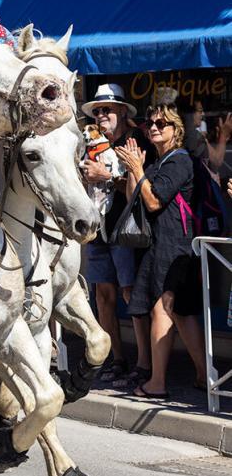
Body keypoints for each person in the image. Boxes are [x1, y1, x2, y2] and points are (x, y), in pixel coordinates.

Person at [116, 105, 207, 398]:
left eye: (162, 123)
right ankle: (204, 376)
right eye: (150, 122)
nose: (154, 127)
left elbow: (154, 202)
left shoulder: (179, 161)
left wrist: (139, 170)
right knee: (178, 311)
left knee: (166, 310)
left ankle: (158, 382)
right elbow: (135, 198)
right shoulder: (159, 161)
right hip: (163, 245)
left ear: (176, 130)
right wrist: (134, 170)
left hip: (173, 245)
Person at [81, 83, 155, 386]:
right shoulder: (91, 142)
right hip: (97, 228)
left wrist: (106, 175)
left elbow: (140, 182)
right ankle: (116, 359)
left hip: (125, 228)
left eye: (106, 109)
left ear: (122, 111)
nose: (101, 115)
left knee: (130, 294)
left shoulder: (134, 139)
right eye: (97, 111)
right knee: (103, 296)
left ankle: (144, 364)